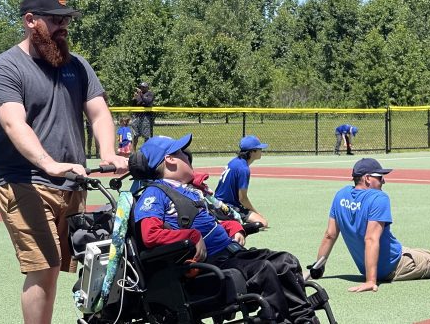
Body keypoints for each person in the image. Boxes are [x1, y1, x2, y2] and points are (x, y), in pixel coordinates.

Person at [0, 0, 128, 323]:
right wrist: (48, 163)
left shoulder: (76, 66)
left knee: (87, 261)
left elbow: (99, 111)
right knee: (45, 266)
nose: (64, 26)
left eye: (67, 20)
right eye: (55, 20)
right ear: (30, 20)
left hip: (72, 183)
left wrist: (107, 151)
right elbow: (12, 123)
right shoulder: (6, 67)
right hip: (24, 182)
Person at [134, 134, 319, 323]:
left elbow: (207, 221)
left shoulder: (188, 190)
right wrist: (192, 236)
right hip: (208, 267)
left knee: (286, 261)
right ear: (170, 160)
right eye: (181, 152)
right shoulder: (155, 193)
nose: (187, 155)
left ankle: (304, 319)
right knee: (263, 270)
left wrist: (232, 226)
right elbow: (150, 234)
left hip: (231, 255)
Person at [310, 158, 430, 292]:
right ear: (367, 178)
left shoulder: (341, 195)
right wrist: (371, 281)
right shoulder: (378, 198)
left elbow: (330, 235)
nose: (384, 181)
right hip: (395, 265)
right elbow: (371, 239)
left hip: (374, 264)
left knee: (428, 253)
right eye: (380, 177)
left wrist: (318, 266)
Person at [214, 135, 270, 228]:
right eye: (259, 148)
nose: (261, 151)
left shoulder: (235, 161)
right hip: (228, 207)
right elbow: (242, 199)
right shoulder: (243, 169)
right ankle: (233, 223)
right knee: (263, 223)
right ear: (252, 152)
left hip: (217, 204)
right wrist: (256, 212)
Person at [131, 82, 155, 151]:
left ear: (147, 88)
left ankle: (146, 150)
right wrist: (134, 99)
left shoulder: (150, 94)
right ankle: (134, 150)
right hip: (137, 116)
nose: (141, 88)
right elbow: (135, 105)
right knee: (136, 134)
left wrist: (141, 96)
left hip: (146, 116)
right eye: (141, 87)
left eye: (143, 87)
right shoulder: (138, 95)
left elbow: (148, 101)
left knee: (146, 135)